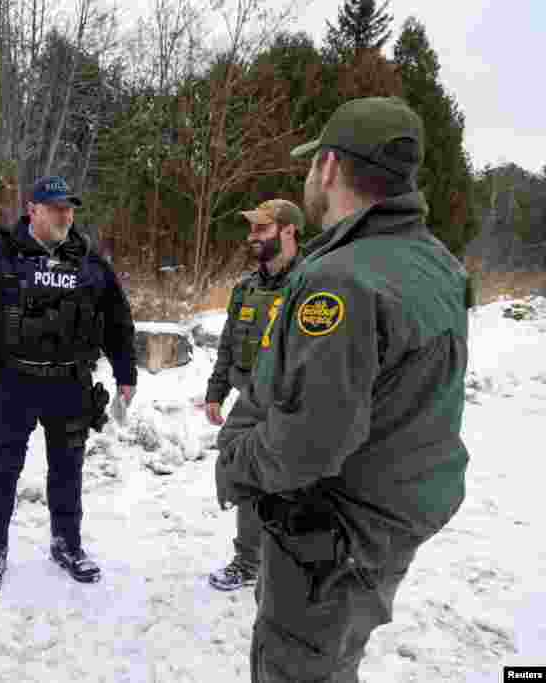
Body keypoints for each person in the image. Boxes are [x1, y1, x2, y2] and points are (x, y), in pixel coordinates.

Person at [214, 96, 472, 681]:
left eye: (311, 166)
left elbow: (309, 441)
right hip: (385, 521)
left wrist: (235, 462)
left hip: (332, 536)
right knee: (333, 660)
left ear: (329, 167)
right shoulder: (435, 262)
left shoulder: (342, 279)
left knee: (298, 665)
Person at [0, 175, 137, 594]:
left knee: (68, 469)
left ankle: (67, 544)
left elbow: (117, 319)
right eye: (56, 208)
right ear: (34, 210)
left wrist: (126, 373)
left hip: (70, 381)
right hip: (14, 380)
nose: (66, 215)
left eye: (70, 208)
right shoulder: (2, 255)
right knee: (1, 468)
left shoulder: (88, 260)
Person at [202, 199, 304, 592]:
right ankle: (247, 561)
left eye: (262, 229)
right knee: (245, 477)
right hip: (249, 402)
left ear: (289, 231)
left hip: (291, 406)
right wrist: (216, 391)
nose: (253, 237)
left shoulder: (311, 286)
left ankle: (289, 566)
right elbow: (229, 344)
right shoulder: (246, 288)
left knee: (290, 487)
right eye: (253, 229)